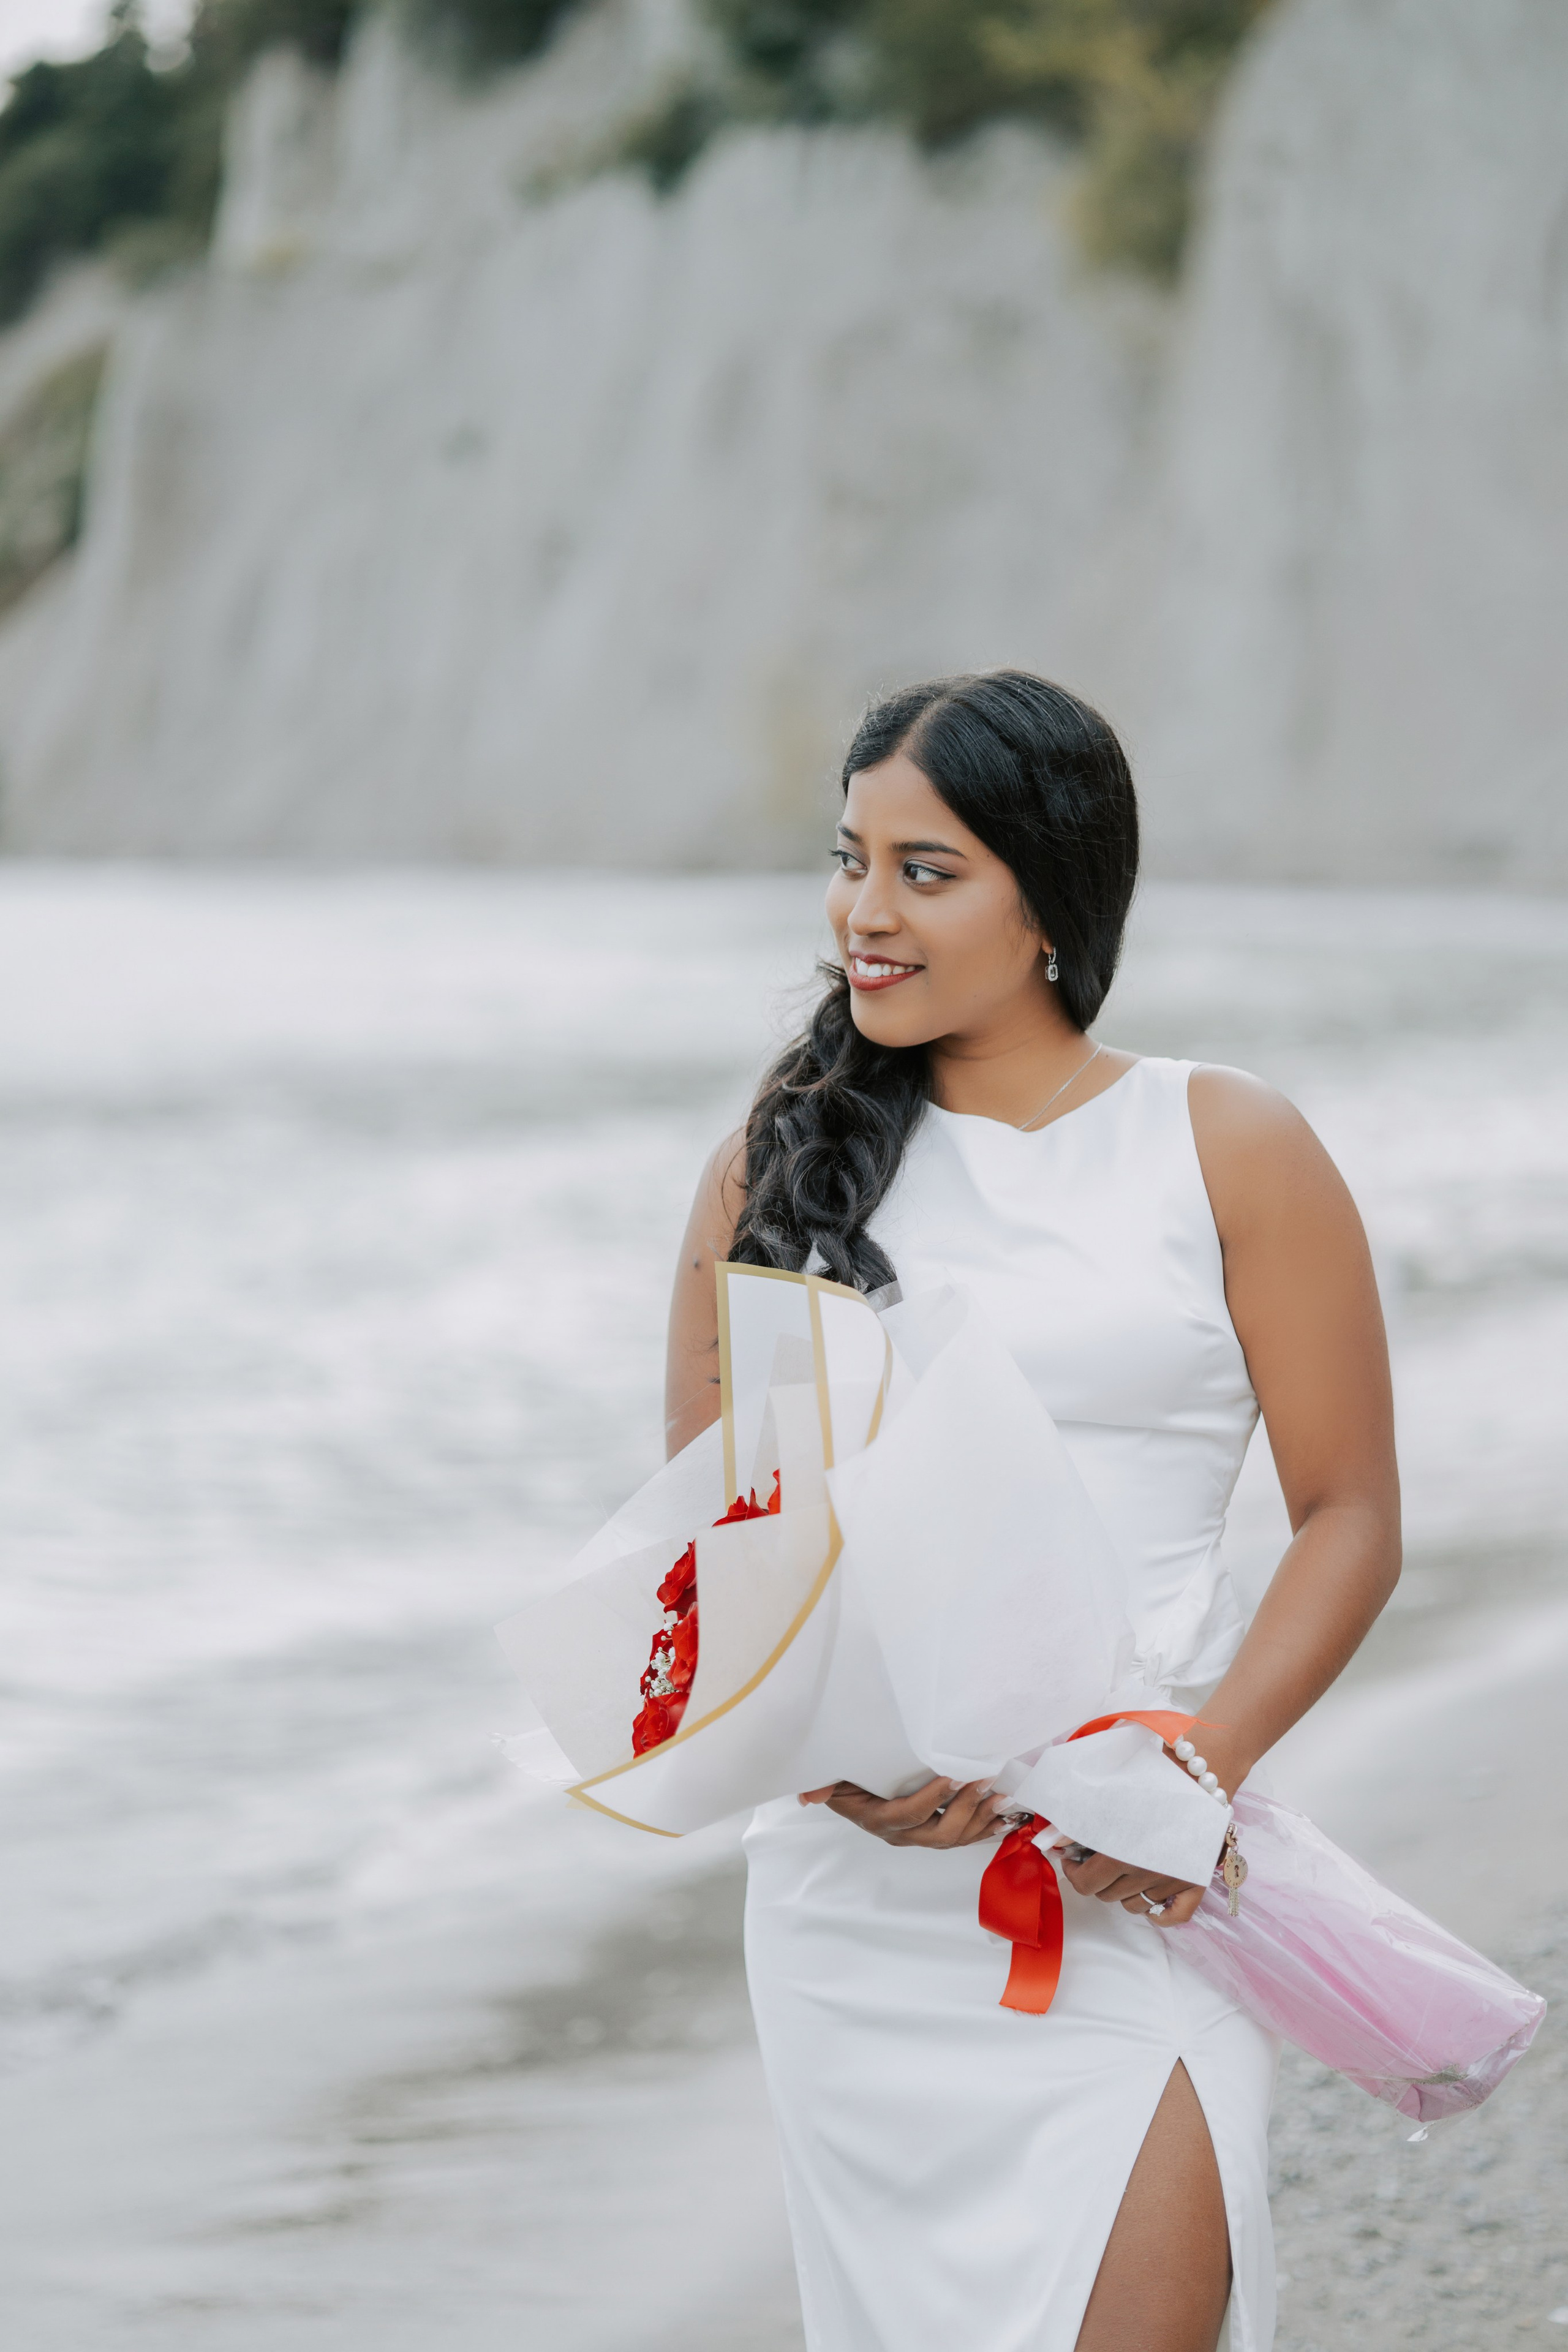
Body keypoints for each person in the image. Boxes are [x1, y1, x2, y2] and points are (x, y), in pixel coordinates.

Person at [663, 673, 1400, 2352]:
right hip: (857, 1914)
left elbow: (1351, 1513)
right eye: (851, 860)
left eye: (929, 871)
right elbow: (718, 1553)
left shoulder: (1225, 1144)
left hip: (1137, 1880)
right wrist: (823, 1760)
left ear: (1053, 897)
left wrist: (1197, 1764)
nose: (865, 912)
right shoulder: (773, 1171)